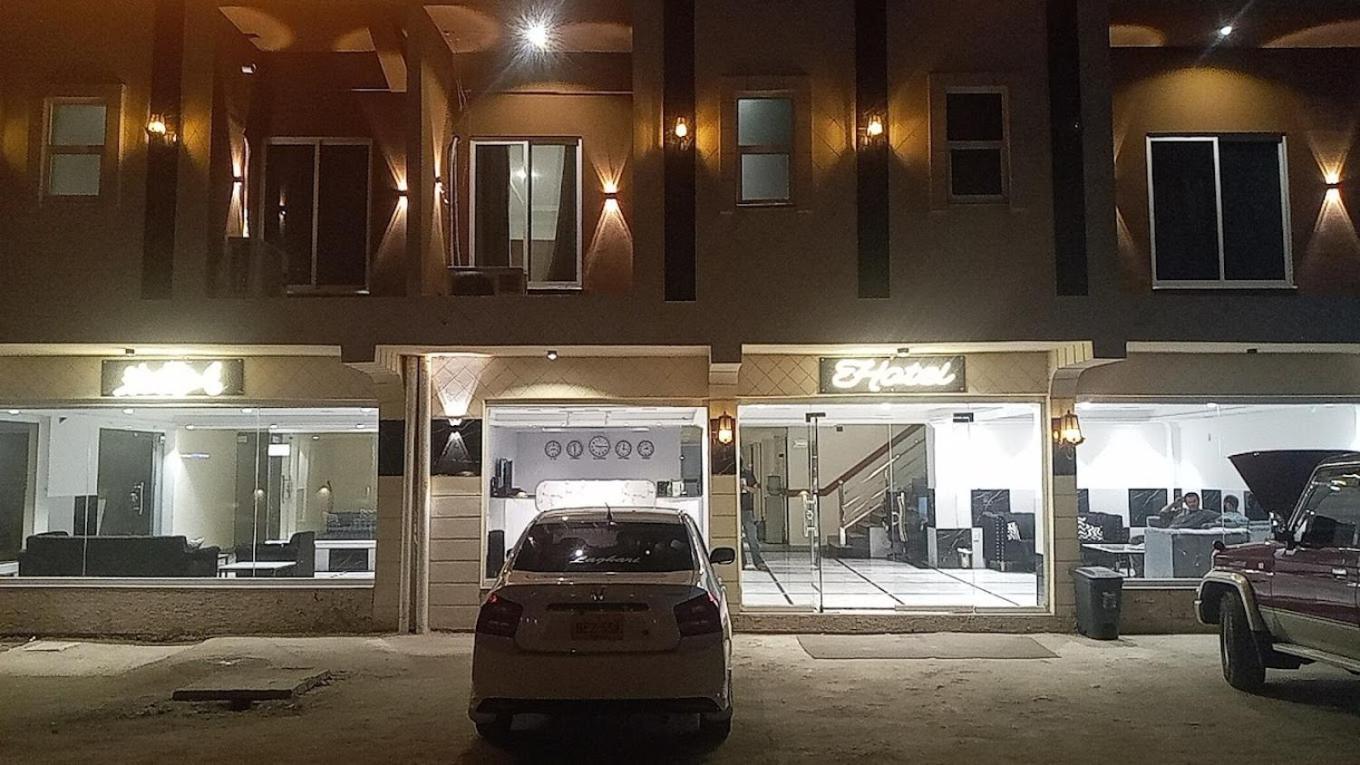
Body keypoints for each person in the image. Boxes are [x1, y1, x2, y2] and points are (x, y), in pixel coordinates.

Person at [740, 466, 769, 571]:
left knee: (752, 536)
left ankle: (758, 561)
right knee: (736, 538)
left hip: (746, 509)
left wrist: (745, 487)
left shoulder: (748, 474)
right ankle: (741, 562)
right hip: (733, 508)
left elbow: (755, 490)